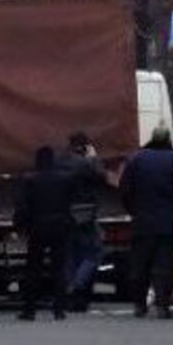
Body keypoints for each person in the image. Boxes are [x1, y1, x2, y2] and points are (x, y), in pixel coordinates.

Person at [118, 126, 173, 319]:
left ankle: (139, 305)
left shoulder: (136, 159)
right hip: (168, 223)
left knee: (140, 265)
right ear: (168, 139)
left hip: (142, 222)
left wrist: (133, 210)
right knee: (165, 266)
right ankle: (162, 306)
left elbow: (124, 189)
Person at [15, 145, 75, 321]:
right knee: (59, 268)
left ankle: (30, 310)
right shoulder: (65, 179)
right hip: (59, 226)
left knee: (33, 269)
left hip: (37, 227)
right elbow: (69, 202)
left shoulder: (30, 180)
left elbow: (23, 206)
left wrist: (20, 226)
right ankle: (59, 310)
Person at [59, 131, 105, 311]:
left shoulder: (61, 162)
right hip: (85, 213)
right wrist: (93, 158)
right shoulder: (86, 164)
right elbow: (101, 177)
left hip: (65, 213)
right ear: (86, 146)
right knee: (93, 253)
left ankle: (69, 287)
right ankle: (77, 284)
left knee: (70, 254)